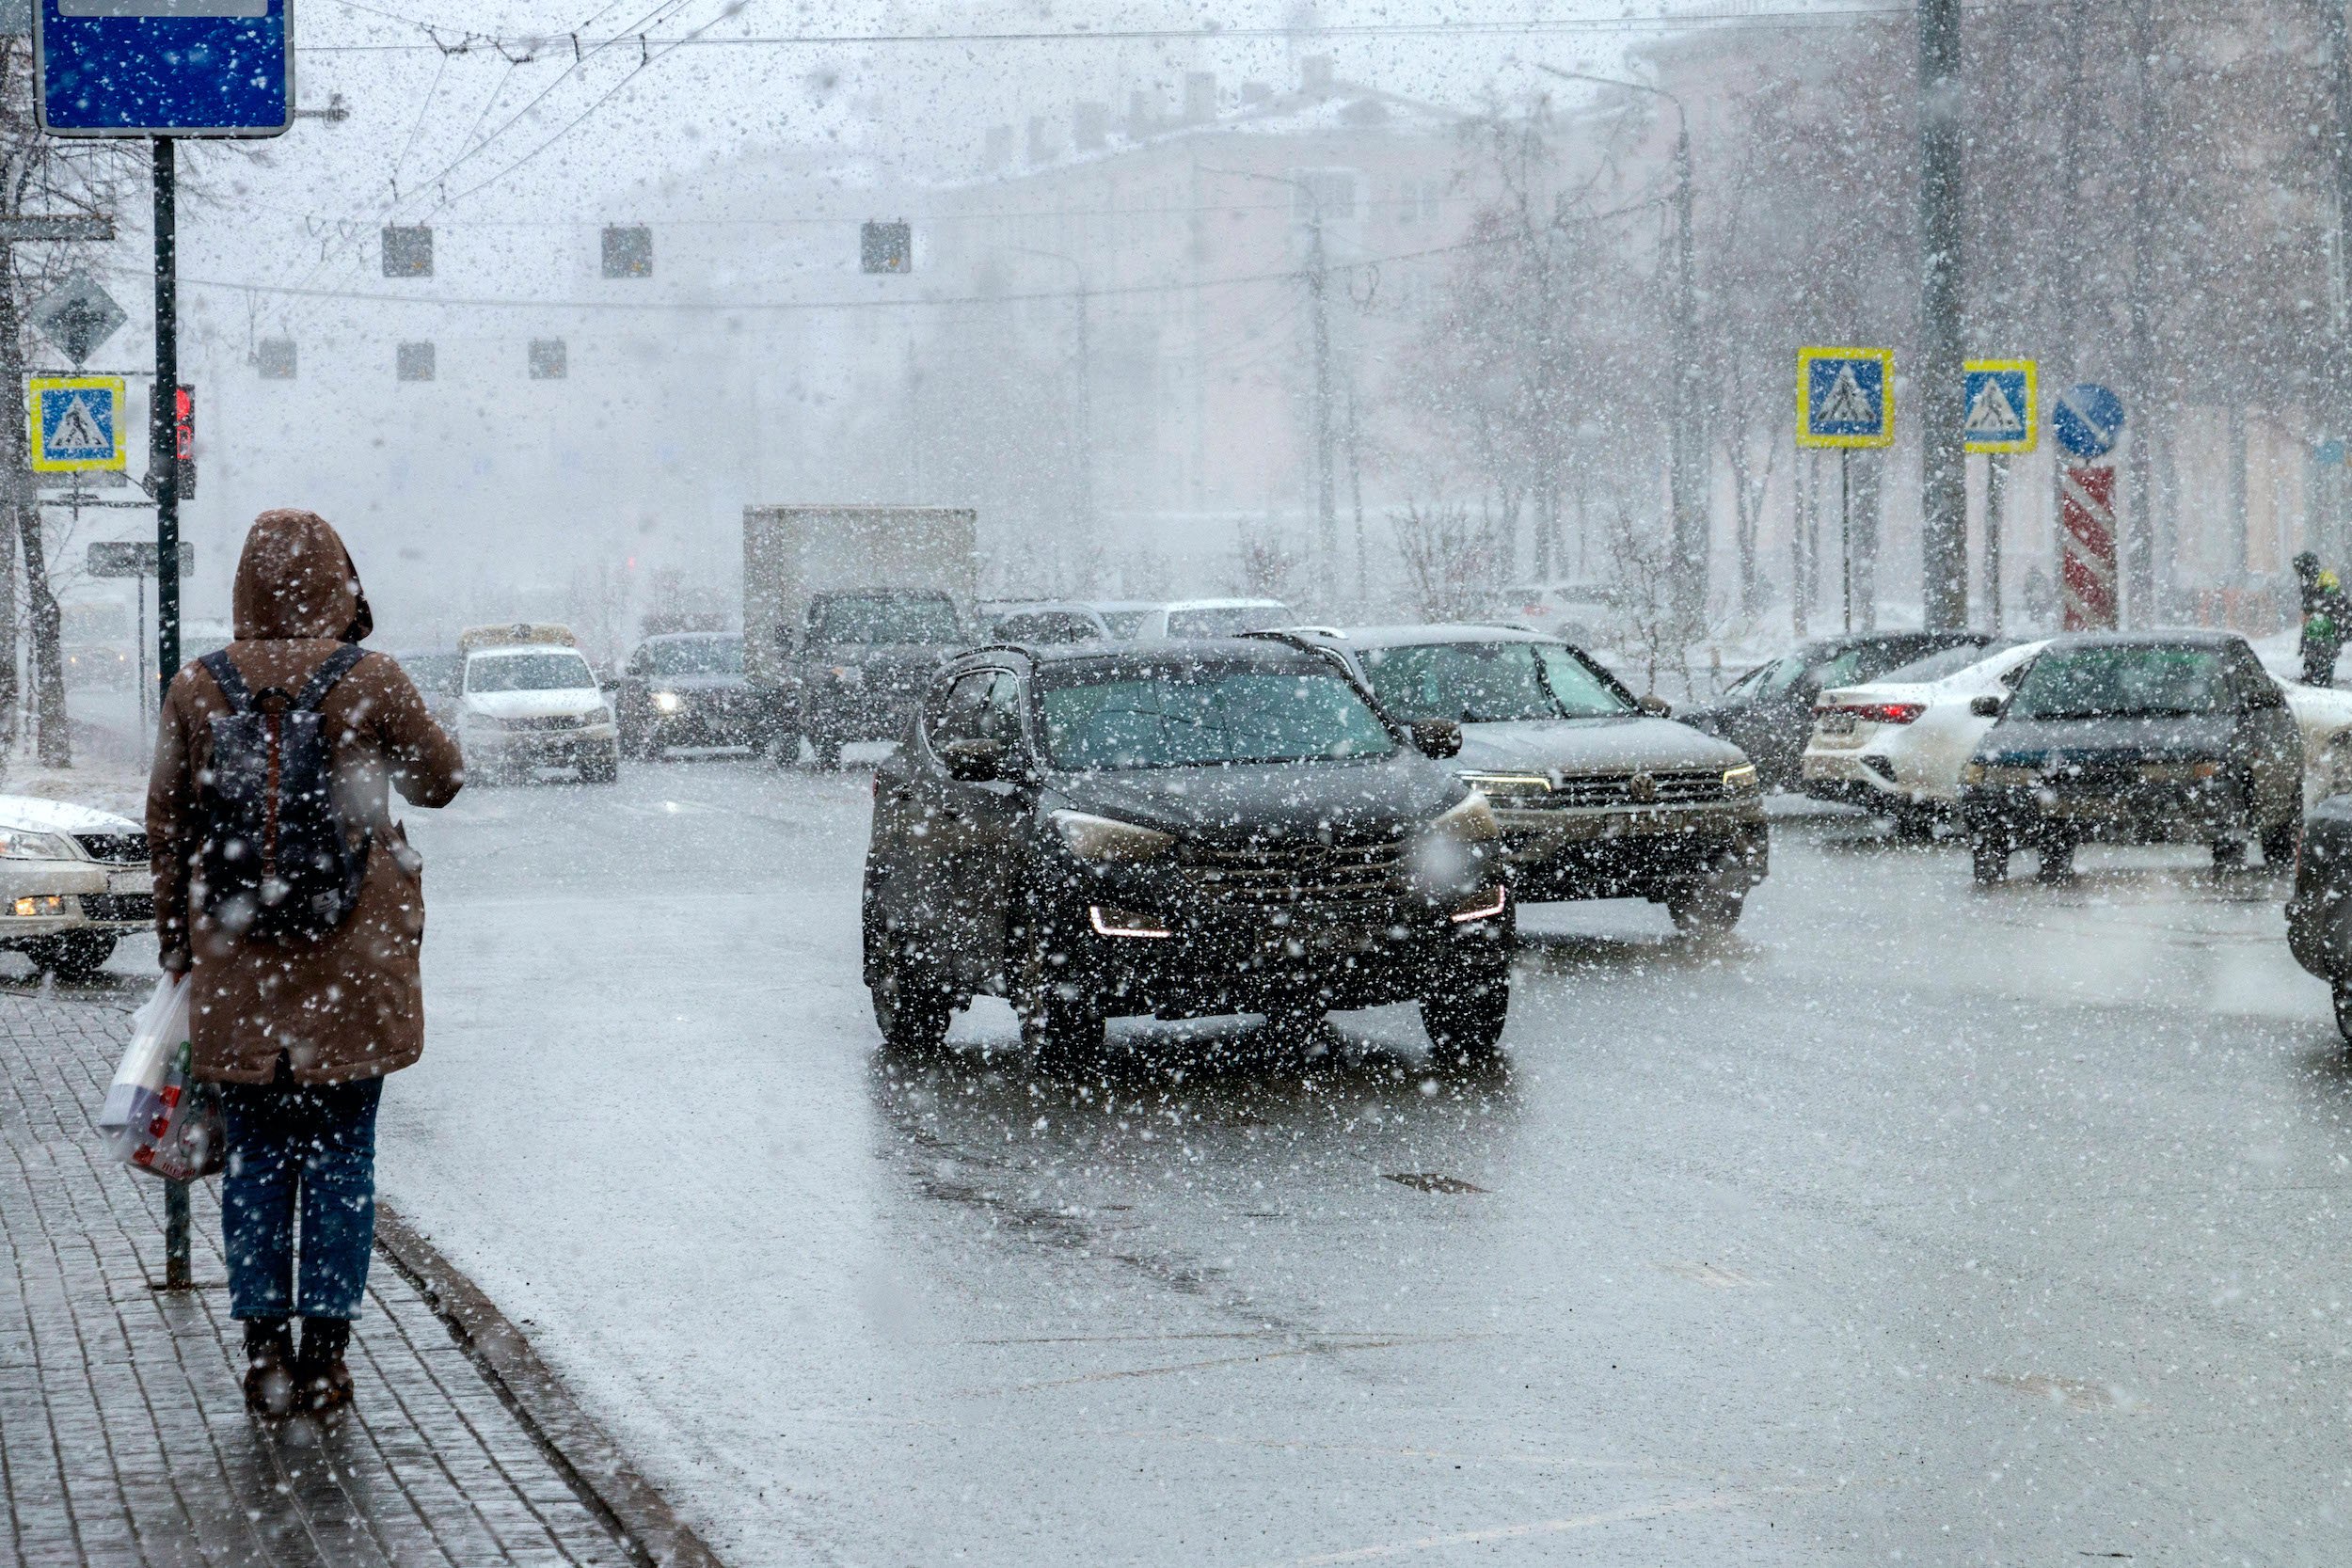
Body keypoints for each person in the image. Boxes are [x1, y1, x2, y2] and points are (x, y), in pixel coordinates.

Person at [148, 510, 464, 1418]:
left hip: (238, 979)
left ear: (245, 586)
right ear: (341, 582)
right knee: (341, 1163)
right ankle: (325, 1358)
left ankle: (264, 1356)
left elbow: (167, 828)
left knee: (254, 1167)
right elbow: (440, 780)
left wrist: (178, 945)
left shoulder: (197, 690)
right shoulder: (370, 680)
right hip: (349, 978)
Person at [2296, 550, 2349, 687]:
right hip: (2325, 642)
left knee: (2315, 681)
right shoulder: (2316, 583)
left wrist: (2306, 641)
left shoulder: (2317, 585)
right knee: (2320, 680)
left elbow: (2312, 618)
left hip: (2323, 641)